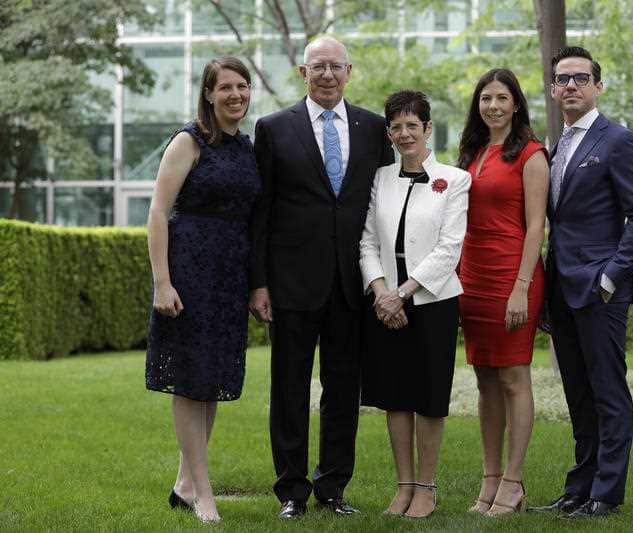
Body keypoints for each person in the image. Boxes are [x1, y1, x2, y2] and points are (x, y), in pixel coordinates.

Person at [248, 36, 394, 519]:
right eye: (318, 67)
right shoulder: (272, 128)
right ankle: (291, 490)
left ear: (349, 71)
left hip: (353, 283)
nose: (327, 74)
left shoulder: (375, 129)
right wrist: (259, 282)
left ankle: (333, 487)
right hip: (291, 283)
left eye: (335, 66)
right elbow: (261, 212)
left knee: (343, 389)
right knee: (288, 387)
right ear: (301, 73)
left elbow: (383, 208)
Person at [528, 46, 633, 519]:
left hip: (600, 291)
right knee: (578, 396)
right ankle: (578, 489)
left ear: (598, 86)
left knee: (608, 393)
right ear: (552, 88)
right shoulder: (557, 144)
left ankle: (606, 493)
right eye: (562, 79)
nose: (570, 87)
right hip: (562, 290)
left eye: (580, 78)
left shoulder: (619, 141)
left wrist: (610, 277)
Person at [145, 56, 260, 524]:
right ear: (209, 94)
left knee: (211, 381)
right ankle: (203, 494)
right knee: (191, 382)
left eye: (243, 86)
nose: (236, 94)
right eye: (226, 87)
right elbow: (157, 212)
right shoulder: (187, 141)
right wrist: (162, 282)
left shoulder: (246, 148)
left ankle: (185, 482)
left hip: (230, 273)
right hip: (189, 270)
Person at [359, 90, 471, 518]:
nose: (405, 134)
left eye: (413, 125)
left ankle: (426, 487)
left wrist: (402, 293)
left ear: (428, 129)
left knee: (428, 396)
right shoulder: (379, 178)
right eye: (397, 126)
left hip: (432, 300)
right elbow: (367, 240)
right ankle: (403, 486)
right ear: (389, 132)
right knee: (395, 395)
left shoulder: (455, 180)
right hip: (384, 301)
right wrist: (381, 290)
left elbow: (450, 248)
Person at [456, 68, 550, 517]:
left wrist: (521, 287)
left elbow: (536, 226)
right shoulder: (472, 152)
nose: (493, 105)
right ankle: (489, 479)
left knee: (513, 377)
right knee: (485, 379)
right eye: (486, 98)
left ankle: (513, 482)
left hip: (512, 276)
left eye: (501, 98)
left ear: (516, 103)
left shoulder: (530, 154)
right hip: (471, 277)